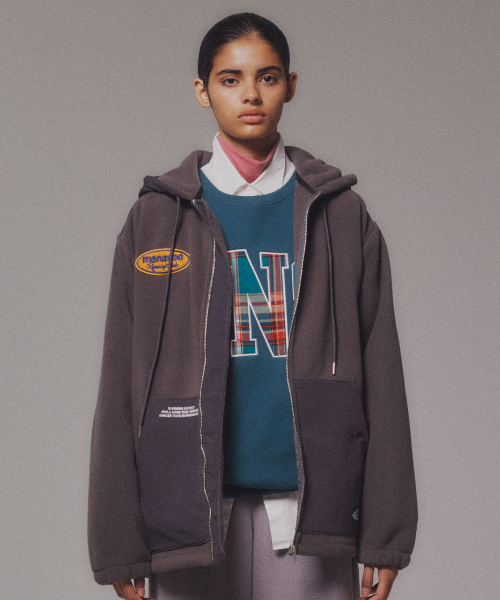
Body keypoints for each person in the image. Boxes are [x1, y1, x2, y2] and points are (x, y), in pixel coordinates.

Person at [87, 12, 418, 600]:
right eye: (230, 79)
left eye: (267, 77)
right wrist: (119, 542)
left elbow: (383, 377)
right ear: (202, 90)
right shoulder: (156, 218)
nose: (250, 95)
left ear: (290, 85)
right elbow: (120, 381)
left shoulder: (342, 216)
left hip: (311, 514)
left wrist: (385, 534)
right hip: (187, 512)